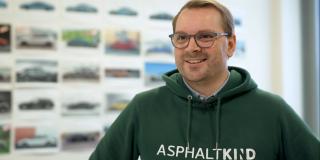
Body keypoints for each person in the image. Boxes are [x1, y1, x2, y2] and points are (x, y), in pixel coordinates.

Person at [89, 0, 320, 159]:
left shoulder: (272, 111)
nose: (192, 47)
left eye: (206, 36)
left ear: (230, 44)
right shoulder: (143, 108)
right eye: (182, 37)